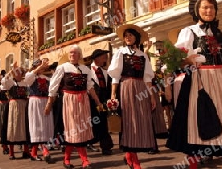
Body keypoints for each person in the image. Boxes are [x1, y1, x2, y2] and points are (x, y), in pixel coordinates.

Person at [166, 0, 222, 169]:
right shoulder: (188, 32)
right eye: (205, 7)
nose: (209, 10)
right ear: (197, 10)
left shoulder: (221, 34)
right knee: (198, 127)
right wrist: (187, 60)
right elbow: (174, 61)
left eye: (211, 7)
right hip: (199, 82)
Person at [107, 24, 156, 169]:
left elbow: (148, 78)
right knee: (129, 121)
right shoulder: (120, 53)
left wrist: (152, 97)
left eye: (131, 35)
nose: (128, 38)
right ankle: (134, 160)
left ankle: (129, 155)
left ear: (136, 38)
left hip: (141, 88)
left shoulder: (143, 55)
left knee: (141, 120)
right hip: (126, 87)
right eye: (126, 35)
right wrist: (113, 95)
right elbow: (115, 77)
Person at [45, 45, 102, 169]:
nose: (72, 55)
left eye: (75, 53)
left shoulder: (85, 69)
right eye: (70, 53)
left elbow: (90, 87)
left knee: (80, 131)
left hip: (83, 101)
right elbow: (53, 86)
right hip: (69, 101)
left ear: (79, 55)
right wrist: (49, 103)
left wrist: (97, 101)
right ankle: (84, 160)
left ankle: (67, 159)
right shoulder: (62, 68)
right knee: (73, 131)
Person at [24, 59, 54, 162]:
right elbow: (27, 79)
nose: (42, 68)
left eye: (43, 66)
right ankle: (45, 151)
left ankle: (34, 153)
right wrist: (37, 69)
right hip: (35, 102)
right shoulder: (30, 76)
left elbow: (53, 89)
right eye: (39, 66)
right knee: (37, 126)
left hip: (45, 102)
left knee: (45, 126)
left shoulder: (46, 78)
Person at [2, 64, 31, 160]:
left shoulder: (25, 83)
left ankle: (26, 151)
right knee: (12, 127)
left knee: (24, 127)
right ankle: (11, 152)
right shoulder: (10, 83)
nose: (17, 74)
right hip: (13, 106)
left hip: (23, 105)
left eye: (19, 72)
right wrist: (11, 71)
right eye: (16, 72)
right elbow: (4, 81)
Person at [89, 48, 114, 155]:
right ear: (97, 58)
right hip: (91, 101)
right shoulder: (87, 70)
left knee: (102, 120)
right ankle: (89, 141)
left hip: (103, 101)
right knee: (93, 121)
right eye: (104, 56)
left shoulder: (105, 72)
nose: (106, 58)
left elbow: (108, 87)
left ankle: (106, 146)